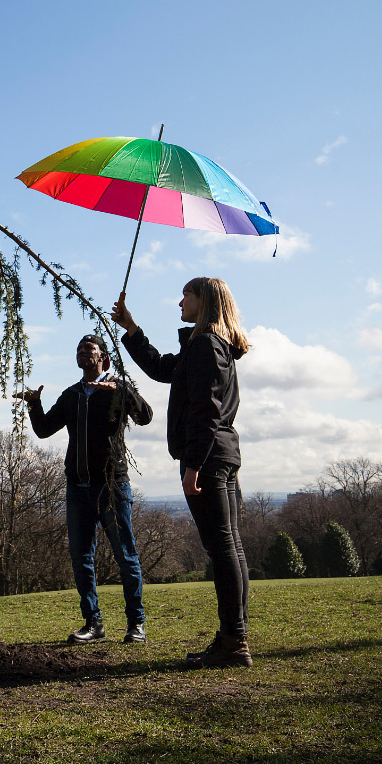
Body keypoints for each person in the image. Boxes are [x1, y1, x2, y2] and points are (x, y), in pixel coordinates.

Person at [113, 278, 251, 668]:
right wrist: (132, 328)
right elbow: (162, 369)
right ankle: (234, 638)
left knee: (222, 549)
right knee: (230, 547)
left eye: (186, 295)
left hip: (207, 458)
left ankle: (234, 642)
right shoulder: (208, 344)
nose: (180, 302)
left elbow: (206, 410)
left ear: (203, 300)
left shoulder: (206, 344)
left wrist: (193, 466)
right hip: (221, 454)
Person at [19, 334, 153, 644]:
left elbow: (145, 417)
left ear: (103, 358)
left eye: (89, 348)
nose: (82, 352)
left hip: (112, 487)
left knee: (126, 556)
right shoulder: (71, 395)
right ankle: (94, 624)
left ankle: (136, 624)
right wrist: (34, 404)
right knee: (81, 559)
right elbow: (43, 430)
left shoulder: (117, 389)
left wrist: (123, 391)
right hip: (78, 489)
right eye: (79, 349)